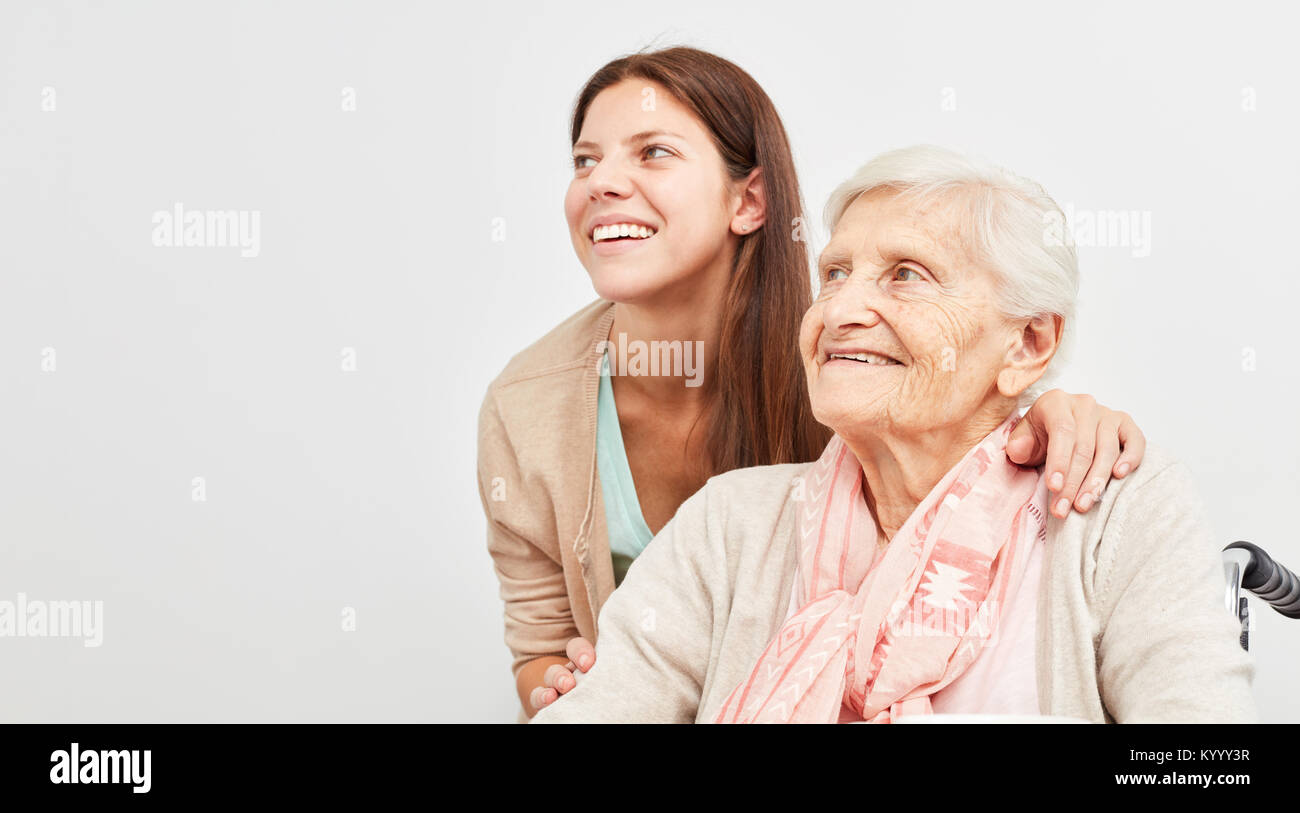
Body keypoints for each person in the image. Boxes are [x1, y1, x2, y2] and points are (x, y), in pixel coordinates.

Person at [477, 48, 1147, 721]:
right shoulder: (535, 408)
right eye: (585, 160)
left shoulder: (853, 364)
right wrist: (568, 689)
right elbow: (542, 645)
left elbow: (972, 407)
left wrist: (1055, 414)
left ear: (750, 198)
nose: (602, 182)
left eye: (652, 152)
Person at [530, 145, 1254, 723]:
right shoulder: (729, 525)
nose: (842, 307)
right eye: (835, 273)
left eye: (907, 274)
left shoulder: (1115, 510)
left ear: (1028, 344)